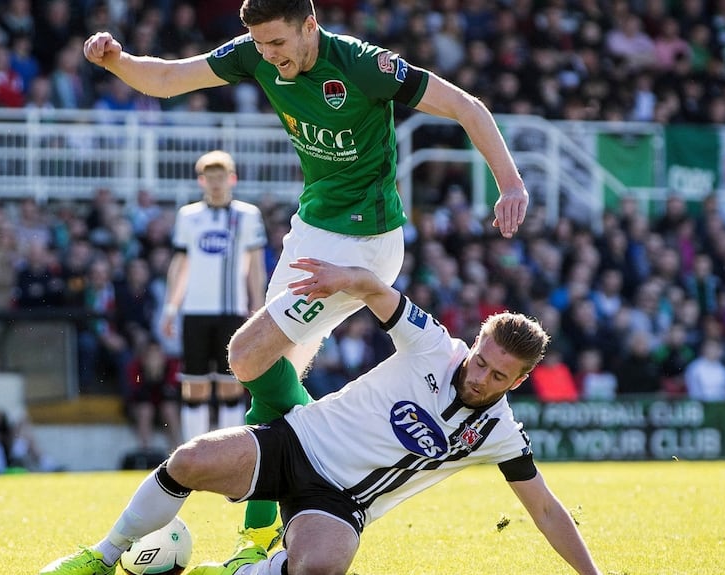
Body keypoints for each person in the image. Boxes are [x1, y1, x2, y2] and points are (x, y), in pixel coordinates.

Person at [83, 0, 530, 552]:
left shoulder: (365, 65)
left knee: (249, 357)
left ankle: (311, 472)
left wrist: (509, 184)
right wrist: (118, 60)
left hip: (365, 245)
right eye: (261, 46)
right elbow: (171, 78)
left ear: (310, 27)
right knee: (269, 379)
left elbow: (468, 106)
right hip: (310, 230)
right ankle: (266, 531)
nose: (268, 57)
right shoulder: (255, 54)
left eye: (278, 44)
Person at [38, 259, 599, 575]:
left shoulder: (499, 433)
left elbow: (546, 510)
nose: (480, 377)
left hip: (341, 503)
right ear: (474, 343)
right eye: (481, 360)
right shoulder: (432, 344)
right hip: (298, 440)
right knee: (189, 460)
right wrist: (343, 279)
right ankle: (103, 556)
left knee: (319, 569)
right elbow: (379, 290)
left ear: (519, 381)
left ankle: (241, 573)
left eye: (498, 376)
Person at [161, 150, 267, 442]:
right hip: (195, 311)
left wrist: (257, 306)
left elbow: (255, 266)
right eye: (210, 178)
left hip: (232, 310)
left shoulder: (247, 215)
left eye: (221, 177)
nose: (216, 183)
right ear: (201, 181)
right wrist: (171, 308)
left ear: (232, 179)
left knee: (230, 384)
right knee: (194, 384)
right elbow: (180, 265)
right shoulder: (189, 216)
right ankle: (192, 452)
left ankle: (227, 449)